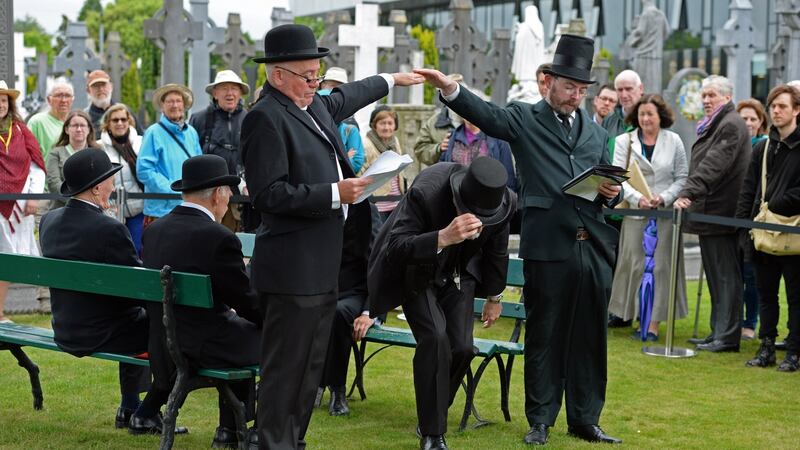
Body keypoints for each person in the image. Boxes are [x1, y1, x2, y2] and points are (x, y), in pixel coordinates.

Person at [416, 33, 623, 446]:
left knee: (590, 337)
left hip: (593, 248)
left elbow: (606, 189)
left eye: (582, 90)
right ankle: (541, 419)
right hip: (548, 247)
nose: (575, 96)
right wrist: (449, 88)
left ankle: (585, 418)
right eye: (569, 88)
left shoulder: (598, 134)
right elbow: (486, 113)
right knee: (544, 334)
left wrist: (611, 195)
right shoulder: (524, 119)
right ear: (548, 81)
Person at [240, 24, 422, 448]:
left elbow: (348, 96)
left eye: (318, 75)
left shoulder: (313, 104)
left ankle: (293, 441)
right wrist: (333, 194)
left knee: (309, 372)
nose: (315, 84)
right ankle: (272, 442)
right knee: (285, 372)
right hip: (290, 271)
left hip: (326, 270)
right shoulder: (264, 119)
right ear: (277, 74)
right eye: (308, 77)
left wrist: (395, 79)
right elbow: (267, 194)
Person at [369, 157, 516, 450]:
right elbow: (396, 248)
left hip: (459, 275)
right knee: (435, 339)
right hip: (415, 271)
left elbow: (498, 250)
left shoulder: (504, 201)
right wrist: (443, 236)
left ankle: (432, 412)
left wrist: (494, 297)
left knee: (462, 347)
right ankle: (433, 434)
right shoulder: (427, 191)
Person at [39, 150, 185, 435]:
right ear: (96, 187)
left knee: (137, 317)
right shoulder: (109, 228)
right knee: (163, 324)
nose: (113, 185)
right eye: (110, 180)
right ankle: (146, 412)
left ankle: (129, 405)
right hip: (101, 332)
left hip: (65, 326)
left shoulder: (50, 221)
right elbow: (139, 289)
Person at [142, 154, 262, 446]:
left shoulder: (154, 230)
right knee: (277, 338)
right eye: (229, 191)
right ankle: (246, 430)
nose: (230, 196)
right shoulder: (219, 237)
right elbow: (248, 302)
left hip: (163, 343)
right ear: (218, 194)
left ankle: (229, 429)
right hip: (202, 346)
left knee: (242, 328)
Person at [675, 75, 751, 353]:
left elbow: (713, 165)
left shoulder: (730, 124)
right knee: (717, 278)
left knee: (726, 278)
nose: (706, 100)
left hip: (722, 214)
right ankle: (718, 332)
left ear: (727, 97)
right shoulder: (717, 123)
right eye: (704, 95)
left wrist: (687, 192)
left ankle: (728, 337)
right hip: (710, 214)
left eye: (712, 95)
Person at [608, 94, 688, 341]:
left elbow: (683, 176)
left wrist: (664, 197)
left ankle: (652, 324)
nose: (645, 119)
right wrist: (637, 199)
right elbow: (617, 176)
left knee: (661, 268)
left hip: (664, 215)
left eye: (650, 114)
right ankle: (633, 315)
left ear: (660, 116)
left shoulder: (673, 140)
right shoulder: (625, 141)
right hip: (635, 214)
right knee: (635, 266)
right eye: (641, 114)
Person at [737, 84, 800, 372]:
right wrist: (743, 227)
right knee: (765, 294)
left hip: (794, 234)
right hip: (761, 234)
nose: (775, 110)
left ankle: (795, 352)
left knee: (796, 297)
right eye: (773, 106)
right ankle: (767, 348)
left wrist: (776, 202)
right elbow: (748, 190)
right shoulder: (763, 147)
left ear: (797, 110)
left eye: (782, 106)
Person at [317, 195, 374, 417]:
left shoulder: (366, 211)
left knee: (338, 314)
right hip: (322, 289)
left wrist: (370, 312)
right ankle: (310, 384)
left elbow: (378, 263)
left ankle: (337, 390)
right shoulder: (319, 206)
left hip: (356, 294)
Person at [0, 81, 45, 324]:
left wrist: (32, 197)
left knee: (6, 259)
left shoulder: (20, 130)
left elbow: (37, 166)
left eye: (4, 100)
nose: (0, 104)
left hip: (19, 205)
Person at [605, 69, 645, 329]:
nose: (624, 94)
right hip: (611, 199)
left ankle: (637, 310)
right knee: (612, 258)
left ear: (640, 89)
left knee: (636, 259)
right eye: (620, 90)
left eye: (629, 89)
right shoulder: (611, 120)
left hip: (638, 200)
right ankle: (616, 309)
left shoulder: (647, 117)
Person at [189, 70, 249, 232]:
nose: (230, 93)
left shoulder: (250, 118)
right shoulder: (199, 119)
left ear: (240, 93)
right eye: (224, 88)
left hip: (241, 194)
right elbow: (192, 155)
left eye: (234, 88)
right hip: (208, 194)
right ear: (215, 94)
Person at [136, 84, 201, 226]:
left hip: (189, 208)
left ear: (184, 105)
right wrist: (173, 190)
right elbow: (144, 170)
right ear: (162, 105)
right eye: (169, 101)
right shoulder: (153, 132)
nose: (174, 105)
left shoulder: (192, 133)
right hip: (160, 211)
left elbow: (198, 165)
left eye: (178, 101)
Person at [440, 88, 517, 193]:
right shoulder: (452, 136)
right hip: (455, 199)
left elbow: (508, 177)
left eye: (473, 108)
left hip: (488, 200)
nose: (469, 111)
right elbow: (442, 171)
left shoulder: (497, 137)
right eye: (464, 107)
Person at [736, 99, 769, 340]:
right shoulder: (732, 145)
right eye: (743, 119)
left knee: (751, 275)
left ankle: (750, 323)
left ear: (761, 123)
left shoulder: (764, 146)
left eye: (753, 119)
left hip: (754, 218)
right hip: (731, 218)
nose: (747, 124)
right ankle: (733, 321)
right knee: (734, 274)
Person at [99, 104, 145, 255]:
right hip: (110, 210)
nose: (120, 123)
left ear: (129, 121)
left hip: (138, 208)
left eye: (123, 119)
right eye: (115, 120)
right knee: (114, 251)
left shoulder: (140, 142)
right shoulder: (99, 146)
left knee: (137, 249)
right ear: (108, 124)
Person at [45, 111, 102, 210]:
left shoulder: (98, 152)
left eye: (83, 125)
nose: (79, 129)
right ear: (67, 129)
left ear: (89, 129)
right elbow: (53, 183)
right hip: (61, 211)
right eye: (75, 125)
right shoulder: (56, 153)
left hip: (92, 210)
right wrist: (78, 202)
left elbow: (104, 181)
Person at [360, 105, 406, 222]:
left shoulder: (394, 141)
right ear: (374, 125)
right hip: (377, 203)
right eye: (382, 123)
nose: (386, 127)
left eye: (390, 123)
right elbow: (360, 173)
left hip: (396, 201)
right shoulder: (366, 144)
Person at [318, 66, 365, 173]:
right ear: (322, 85)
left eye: (341, 87)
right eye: (333, 86)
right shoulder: (309, 116)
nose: (335, 92)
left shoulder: (350, 128)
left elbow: (357, 164)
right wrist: (344, 157)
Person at [413, 74, 465, 169]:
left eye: (457, 91)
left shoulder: (477, 120)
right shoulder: (433, 123)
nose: (455, 97)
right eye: (449, 92)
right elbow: (420, 150)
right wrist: (439, 148)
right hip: (445, 177)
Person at [84, 70, 143, 139]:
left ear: (111, 87)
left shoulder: (125, 111)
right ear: (88, 90)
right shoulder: (85, 117)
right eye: (96, 86)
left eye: (104, 85)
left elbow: (141, 138)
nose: (101, 89)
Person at [28, 79, 74, 161]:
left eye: (67, 96)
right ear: (49, 100)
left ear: (72, 100)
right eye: (58, 95)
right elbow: (28, 154)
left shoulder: (77, 123)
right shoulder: (37, 122)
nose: (63, 100)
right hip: (47, 173)